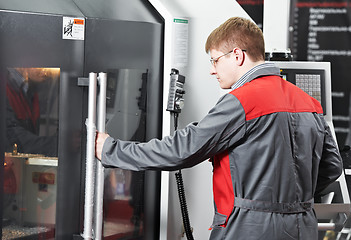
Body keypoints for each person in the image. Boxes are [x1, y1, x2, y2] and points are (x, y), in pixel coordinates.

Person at [95, 17, 342, 239]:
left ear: (237, 55)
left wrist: (111, 149)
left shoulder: (242, 102)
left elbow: (180, 150)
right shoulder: (310, 103)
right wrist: (292, 198)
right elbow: (332, 167)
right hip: (304, 227)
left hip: (249, 229)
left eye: (214, 60)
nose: (212, 69)